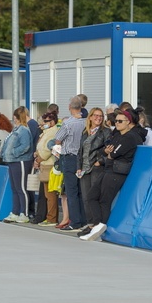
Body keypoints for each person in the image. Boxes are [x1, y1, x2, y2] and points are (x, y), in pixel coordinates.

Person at [83, 108, 139, 241]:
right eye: (116, 121)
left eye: (120, 121)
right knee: (91, 196)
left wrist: (109, 153)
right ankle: (97, 225)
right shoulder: (117, 134)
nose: (117, 123)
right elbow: (104, 150)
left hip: (117, 171)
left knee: (105, 200)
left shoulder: (130, 137)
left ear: (128, 122)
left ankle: (101, 228)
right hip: (108, 169)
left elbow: (113, 153)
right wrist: (108, 153)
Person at [54, 96, 88, 230]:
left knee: (71, 191)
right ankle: (84, 219)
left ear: (70, 107)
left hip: (70, 157)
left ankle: (74, 221)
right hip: (82, 158)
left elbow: (57, 139)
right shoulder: (86, 122)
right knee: (81, 190)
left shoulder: (68, 123)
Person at [0, 107, 34, 224]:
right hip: (13, 161)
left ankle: (24, 213)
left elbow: (25, 146)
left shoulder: (23, 130)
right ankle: (15, 212)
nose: (13, 119)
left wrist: (13, 153)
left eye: (15, 117)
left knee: (21, 188)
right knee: (14, 188)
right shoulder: (16, 129)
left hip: (21, 161)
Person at [77, 107, 109, 231]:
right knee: (85, 197)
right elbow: (80, 151)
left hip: (96, 167)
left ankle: (97, 223)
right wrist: (78, 167)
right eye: (95, 115)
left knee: (94, 197)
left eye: (100, 116)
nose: (98, 118)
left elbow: (108, 150)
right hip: (84, 168)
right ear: (90, 117)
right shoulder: (85, 132)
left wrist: (99, 162)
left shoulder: (105, 132)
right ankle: (90, 222)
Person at [32, 111, 60, 225]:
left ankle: (52, 218)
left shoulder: (53, 132)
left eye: (46, 121)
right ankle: (49, 217)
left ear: (52, 122)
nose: (44, 123)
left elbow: (48, 150)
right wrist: (36, 155)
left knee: (50, 194)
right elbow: (41, 147)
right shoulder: (45, 132)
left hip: (49, 164)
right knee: (47, 194)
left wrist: (39, 159)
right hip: (44, 164)